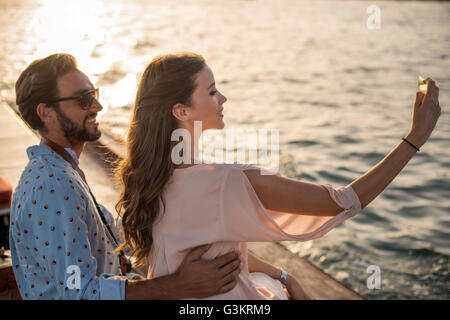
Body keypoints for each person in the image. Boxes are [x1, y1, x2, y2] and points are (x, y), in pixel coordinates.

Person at [115, 52, 441, 300]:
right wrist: (415, 138)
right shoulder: (223, 183)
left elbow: (221, 254)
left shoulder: (152, 175)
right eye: (212, 92)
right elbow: (343, 202)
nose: (223, 98)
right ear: (181, 111)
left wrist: (284, 276)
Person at [9, 53, 244, 300]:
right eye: (83, 99)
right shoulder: (53, 185)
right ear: (46, 113)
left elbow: (111, 235)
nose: (97, 107)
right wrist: (178, 285)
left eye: (94, 95)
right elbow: (80, 294)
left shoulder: (60, 169)